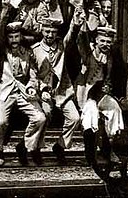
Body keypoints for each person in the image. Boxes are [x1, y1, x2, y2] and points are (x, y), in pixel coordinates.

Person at [0, 0, 46, 167]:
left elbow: (32, 74)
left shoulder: (26, 52)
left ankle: (28, 146)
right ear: (7, 39)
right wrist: (5, 10)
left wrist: (32, 87)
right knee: (1, 121)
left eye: (17, 36)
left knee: (40, 118)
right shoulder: (2, 52)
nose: (14, 40)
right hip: (4, 91)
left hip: (22, 92)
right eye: (11, 37)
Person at [31, 9, 85, 164]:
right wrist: (41, 90)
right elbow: (33, 74)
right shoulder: (35, 50)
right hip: (43, 92)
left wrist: (75, 22)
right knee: (45, 114)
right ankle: (36, 148)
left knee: (75, 118)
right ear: (42, 30)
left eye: (53, 32)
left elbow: (71, 35)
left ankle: (60, 146)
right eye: (47, 31)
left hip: (62, 91)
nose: (50, 35)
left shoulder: (62, 46)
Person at [77, 26, 124, 167]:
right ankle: (90, 155)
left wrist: (108, 88)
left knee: (115, 109)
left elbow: (109, 77)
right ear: (96, 41)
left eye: (108, 42)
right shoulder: (88, 53)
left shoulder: (109, 56)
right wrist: (80, 24)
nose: (105, 44)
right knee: (91, 117)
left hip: (100, 94)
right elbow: (80, 41)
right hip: (86, 94)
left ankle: (109, 149)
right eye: (102, 41)